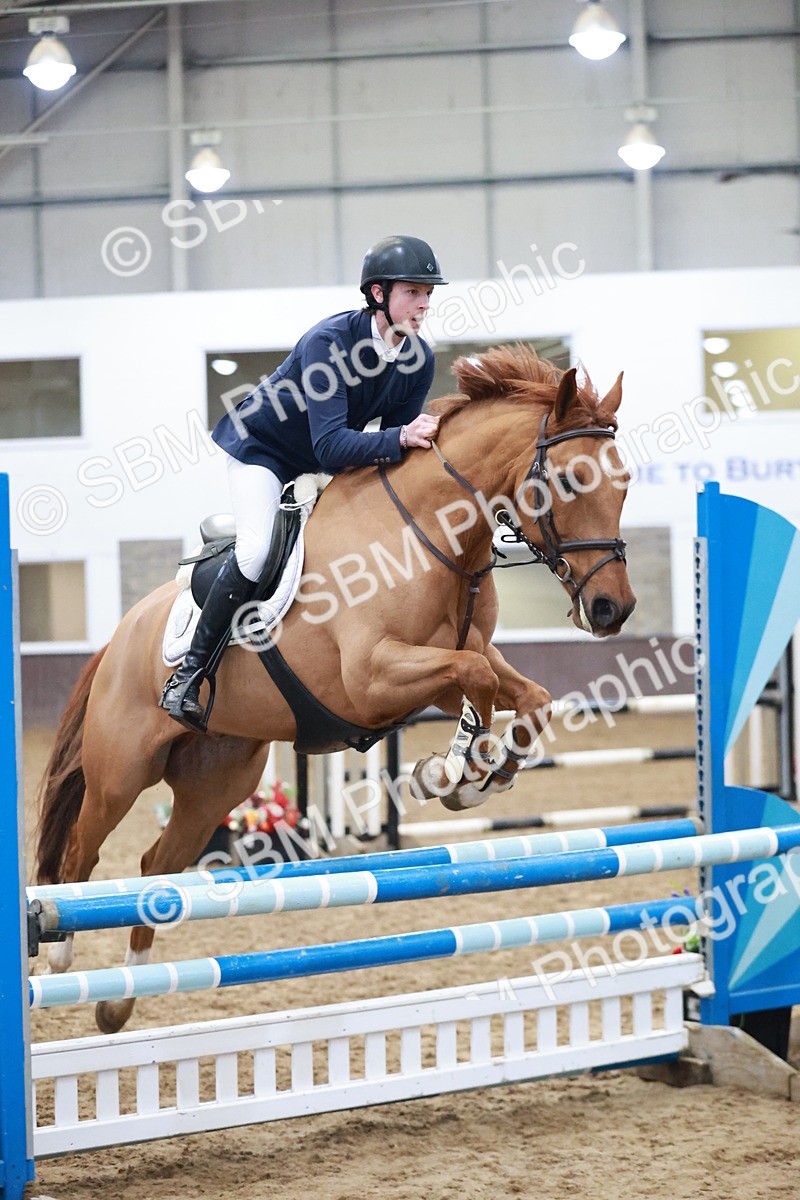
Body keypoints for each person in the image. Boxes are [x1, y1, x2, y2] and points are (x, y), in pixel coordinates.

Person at [160, 234, 448, 731]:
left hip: (326, 459)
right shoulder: (329, 342)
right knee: (255, 550)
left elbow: (388, 453)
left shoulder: (418, 360)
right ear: (378, 294)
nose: (423, 304)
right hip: (264, 450)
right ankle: (188, 674)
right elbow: (336, 446)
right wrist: (402, 435)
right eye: (412, 292)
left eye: (428, 293)